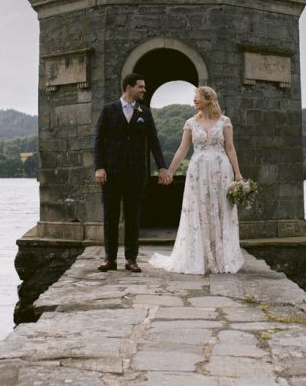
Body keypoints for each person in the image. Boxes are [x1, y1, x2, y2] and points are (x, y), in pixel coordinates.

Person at [150, 86, 245, 274]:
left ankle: (221, 257)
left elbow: (231, 148)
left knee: (220, 210)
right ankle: (199, 257)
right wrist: (169, 171)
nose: (194, 100)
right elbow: (182, 150)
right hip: (198, 172)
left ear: (209, 99)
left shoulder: (225, 122)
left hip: (221, 170)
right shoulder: (190, 123)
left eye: (197, 97)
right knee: (199, 210)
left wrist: (238, 174)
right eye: (194, 97)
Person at [93, 73, 169, 273]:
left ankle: (131, 259)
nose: (144, 90)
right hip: (111, 173)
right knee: (110, 216)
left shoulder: (145, 112)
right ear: (129, 87)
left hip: (136, 173)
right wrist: (99, 167)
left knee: (133, 217)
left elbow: (154, 141)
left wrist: (162, 167)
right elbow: (99, 141)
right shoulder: (108, 110)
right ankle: (110, 259)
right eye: (141, 87)